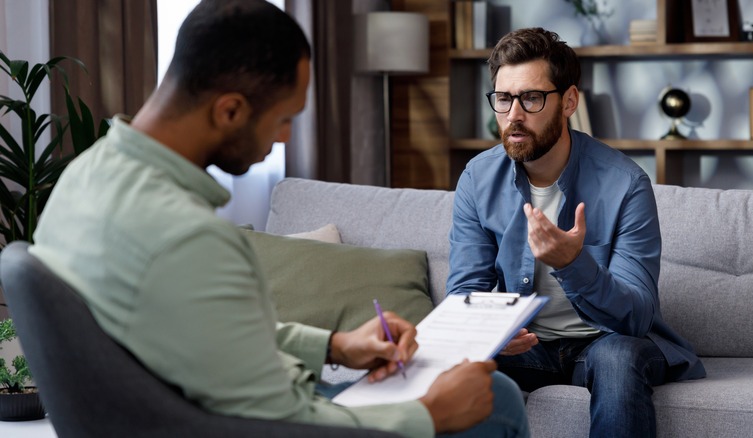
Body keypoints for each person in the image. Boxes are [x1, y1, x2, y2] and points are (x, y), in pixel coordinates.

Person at [29, 1, 529, 437]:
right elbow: (281, 425)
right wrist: (429, 413)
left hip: (185, 408)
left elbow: (203, 330)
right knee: (498, 399)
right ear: (229, 110)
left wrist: (336, 346)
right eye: (285, 118)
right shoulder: (186, 237)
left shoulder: (83, 179)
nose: (285, 139)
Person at [446, 27, 706, 437]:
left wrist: (573, 264)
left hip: (605, 342)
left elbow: (636, 317)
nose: (513, 114)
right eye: (503, 98)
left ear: (568, 102)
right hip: (528, 349)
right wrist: (491, 332)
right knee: (451, 367)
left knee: (619, 358)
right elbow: (464, 292)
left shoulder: (625, 184)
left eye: (531, 98)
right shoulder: (478, 179)